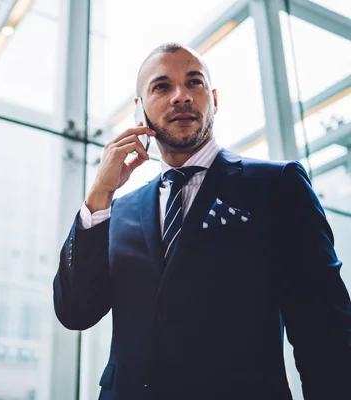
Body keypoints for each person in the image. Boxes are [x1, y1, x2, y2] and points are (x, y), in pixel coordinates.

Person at [53, 42, 351, 400]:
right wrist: (99, 194)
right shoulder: (119, 210)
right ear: (140, 109)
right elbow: (75, 312)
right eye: (162, 86)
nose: (181, 96)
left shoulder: (277, 185)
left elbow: (324, 327)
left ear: (213, 98)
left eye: (194, 83)